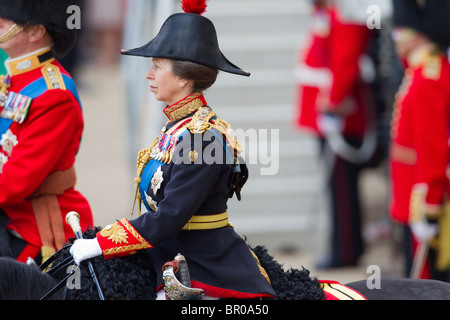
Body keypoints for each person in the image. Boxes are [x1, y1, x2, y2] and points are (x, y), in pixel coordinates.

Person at [70, 0, 276, 300]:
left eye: (157, 66)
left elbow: (169, 216)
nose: (148, 75)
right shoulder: (179, 126)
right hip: (169, 250)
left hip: (204, 266)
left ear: (182, 78)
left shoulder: (202, 136)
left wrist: (102, 242)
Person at [0, 0, 93, 265]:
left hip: (34, 225)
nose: (0, 20)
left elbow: (16, 180)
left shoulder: (54, 95)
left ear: (35, 32)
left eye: (8, 17)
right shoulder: (13, 79)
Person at [295, 0, 379, 268]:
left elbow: (346, 58)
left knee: (341, 187)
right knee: (338, 185)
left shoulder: (345, 11)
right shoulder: (329, 10)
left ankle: (345, 250)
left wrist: (334, 102)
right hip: (326, 111)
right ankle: (347, 245)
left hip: (338, 113)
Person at [389, 0, 450, 280]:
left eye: (403, 28)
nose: (396, 33)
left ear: (421, 32)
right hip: (410, 190)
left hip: (421, 195)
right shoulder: (419, 70)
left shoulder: (429, 76)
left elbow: (433, 147)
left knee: (426, 283)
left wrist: (431, 204)